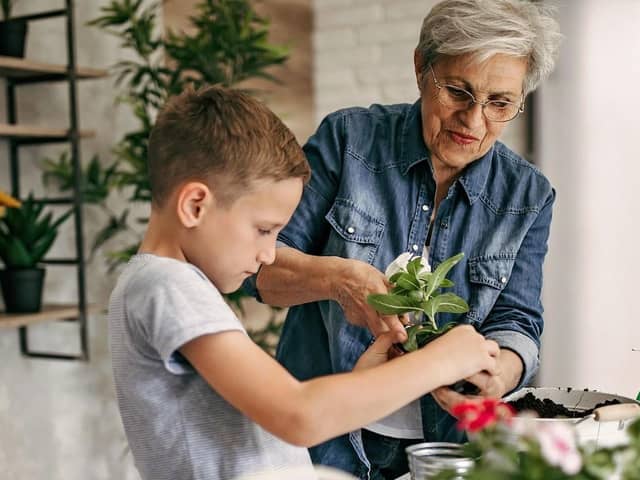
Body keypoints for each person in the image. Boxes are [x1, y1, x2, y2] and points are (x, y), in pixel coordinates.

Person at [108, 85, 499, 480]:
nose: (270, 254)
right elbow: (298, 415)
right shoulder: (166, 285)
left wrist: (363, 381)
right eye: (264, 230)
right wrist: (440, 361)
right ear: (195, 205)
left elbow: (267, 416)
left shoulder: (167, 284)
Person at [246, 0, 563, 478]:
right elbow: (260, 269)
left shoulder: (528, 194)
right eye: (458, 91)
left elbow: (518, 317)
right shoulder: (348, 141)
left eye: (500, 104)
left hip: (448, 451)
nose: (473, 122)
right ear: (421, 68)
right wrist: (337, 278)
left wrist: (508, 367)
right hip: (324, 439)